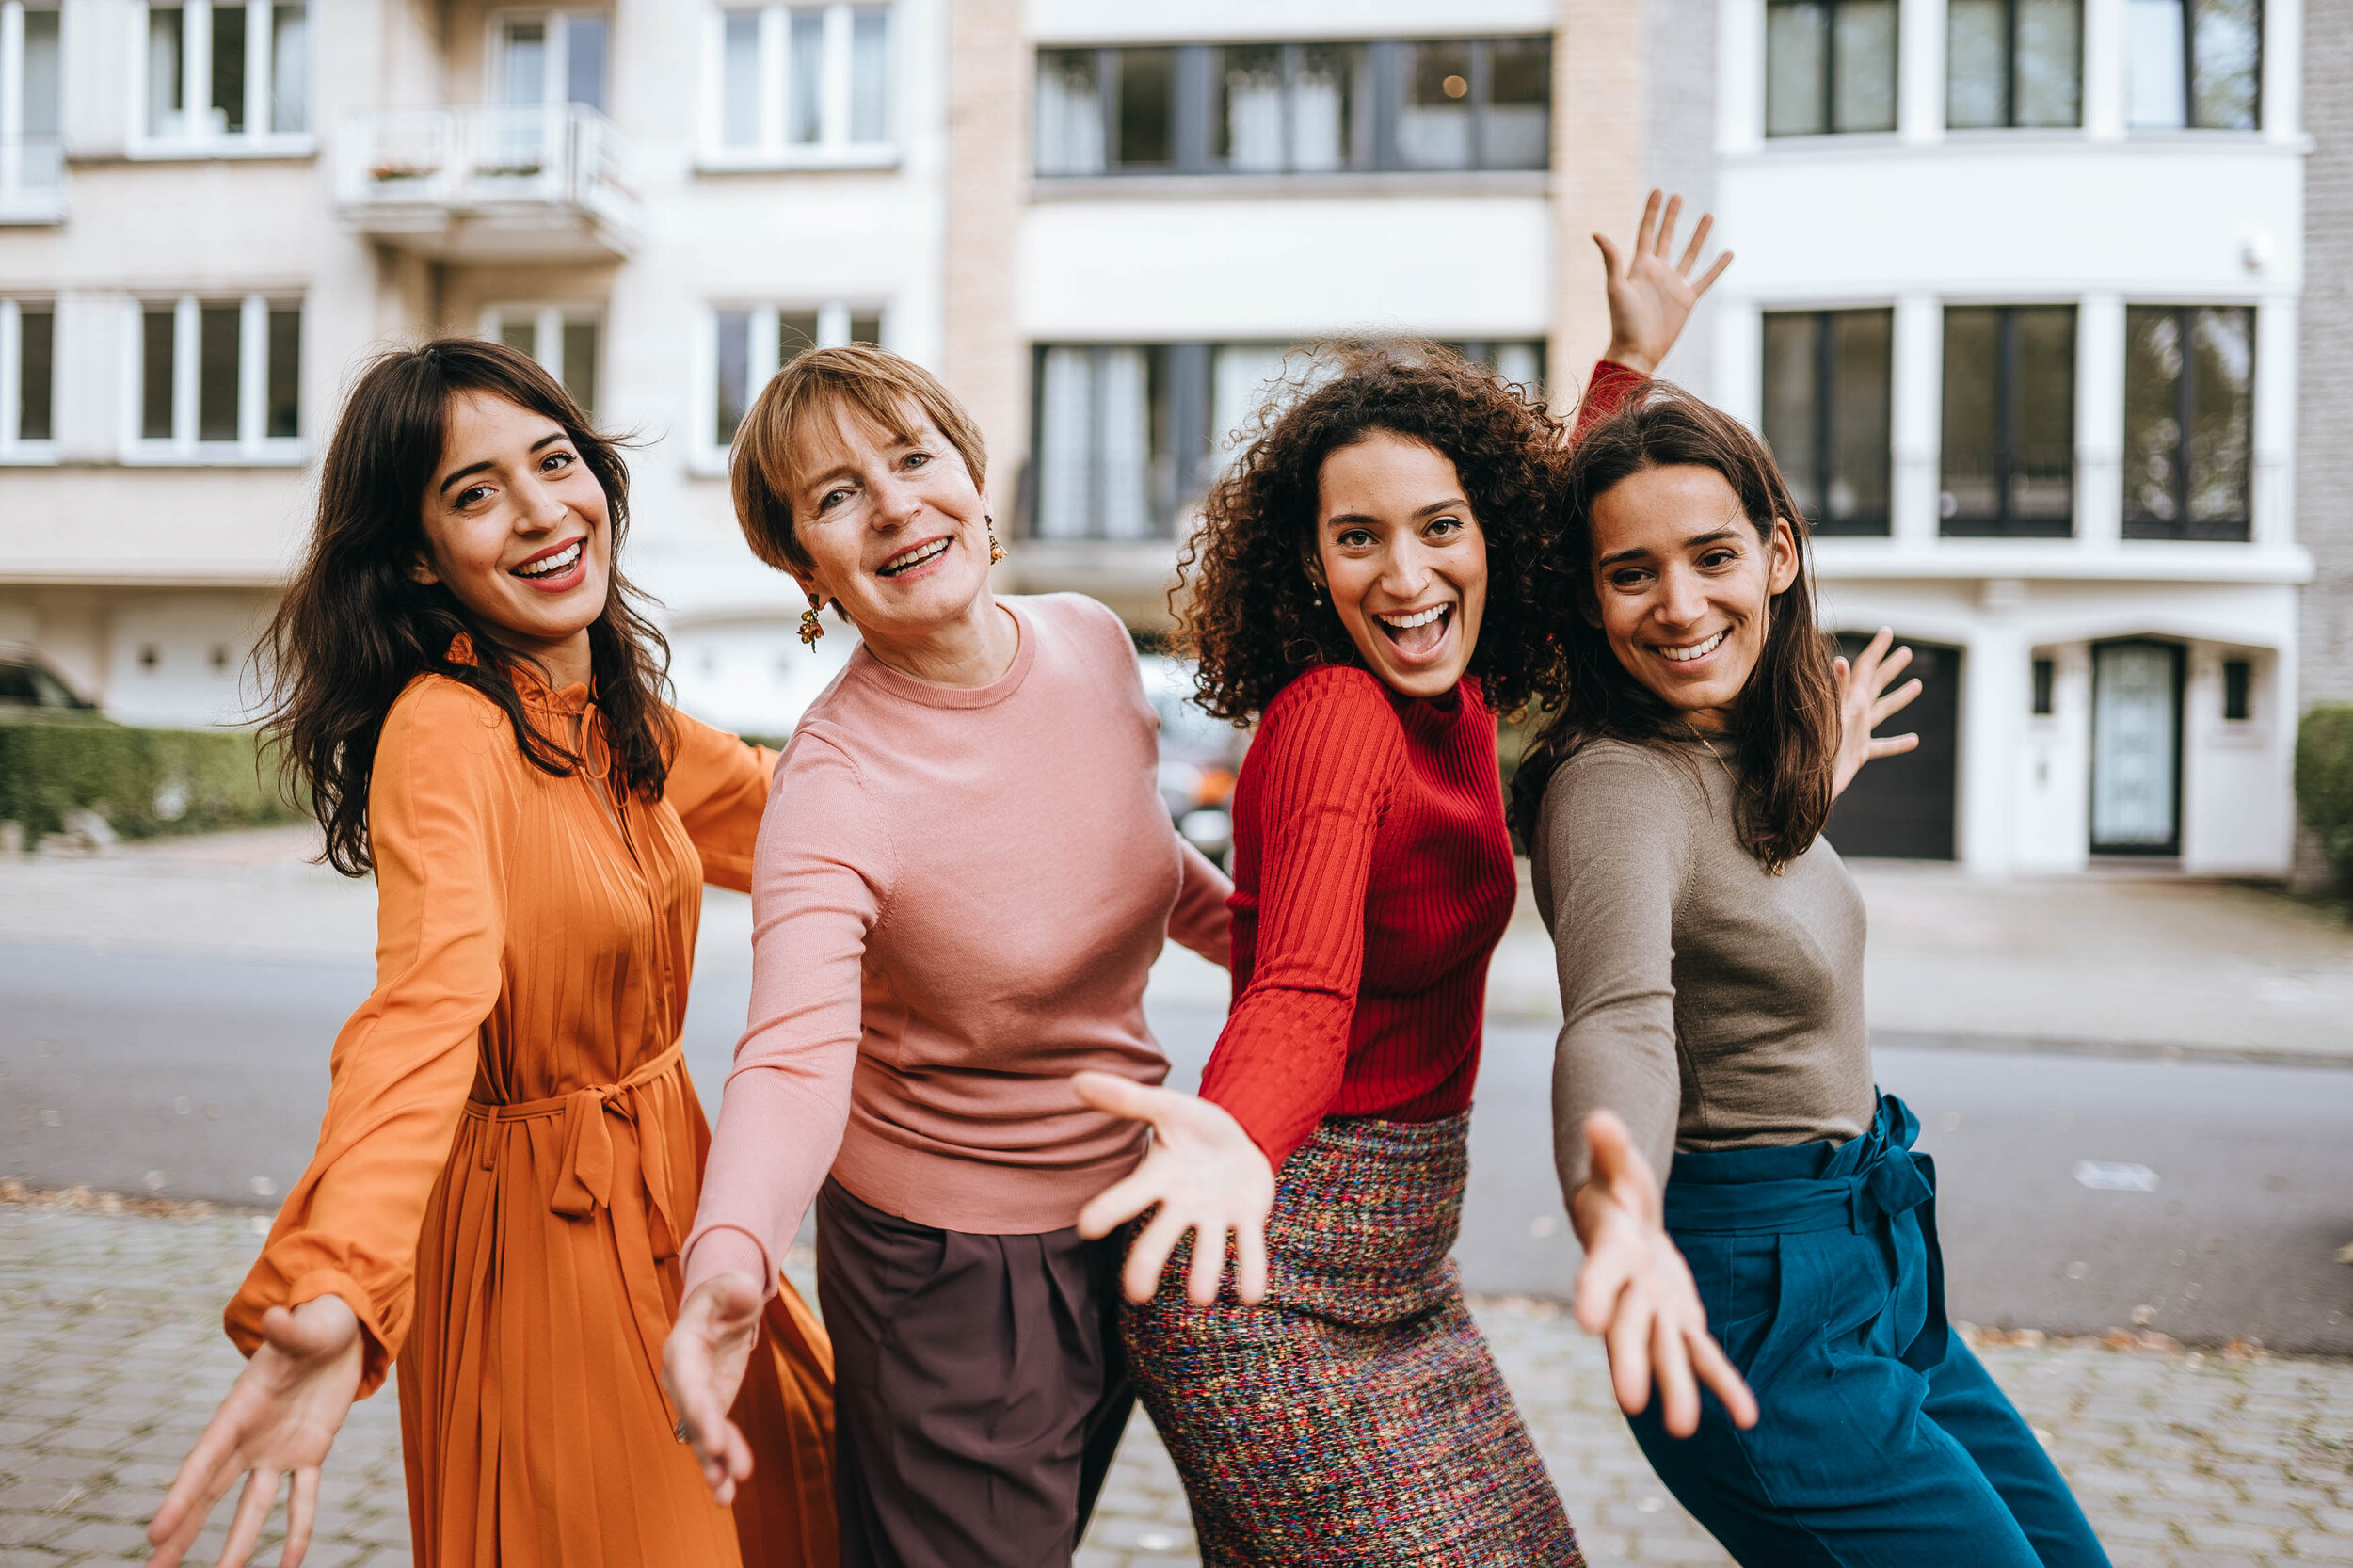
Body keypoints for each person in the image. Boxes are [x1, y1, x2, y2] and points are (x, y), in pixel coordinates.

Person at [1066, 194, 1791, 1564]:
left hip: (1402, 1273)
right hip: (1269, 1270)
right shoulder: (1342, 715)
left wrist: (1629, 359)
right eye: (1358, 539)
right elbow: (1300, 992)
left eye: (1439, 527)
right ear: (1311, 562)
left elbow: (1533, 511)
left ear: (1491, 538)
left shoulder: (1455, 692)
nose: (1406, 573)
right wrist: (1233, 1134)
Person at [143, 340, 836, 1568]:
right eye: (475, 493)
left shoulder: (619, 713)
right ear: (419, 555)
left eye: (555, 462)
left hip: (682, 1195)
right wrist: (339, 1280)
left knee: (798, 1503)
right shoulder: (446, 731)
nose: (539, 513)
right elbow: (427, 1004)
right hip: (541, 1246)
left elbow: (827, 827)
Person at [1509, 383, 2110, 1567]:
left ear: (1777, 554)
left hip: (1874, 1274)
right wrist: (1612, 1211)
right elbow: (1619, 1020)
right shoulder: (1616, 784)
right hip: (1758, 1308)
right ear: (1590, 593)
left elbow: (1729, 890)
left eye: (1713, 555)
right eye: (1630, 573)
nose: (1679, 604)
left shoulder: (1732, 758)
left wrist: (1807, 780)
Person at [658, 345, 1234, 1568]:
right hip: (952, 1264)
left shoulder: (1089, 642)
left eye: (913, 457)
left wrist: (1283, 954)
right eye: (836, 495)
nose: (896, 503)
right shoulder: (837, 777)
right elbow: (795, 1051)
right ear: (802, 561)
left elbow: (1131, 856)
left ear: (972, 473)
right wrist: (731, 1258)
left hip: (1130, 1211)